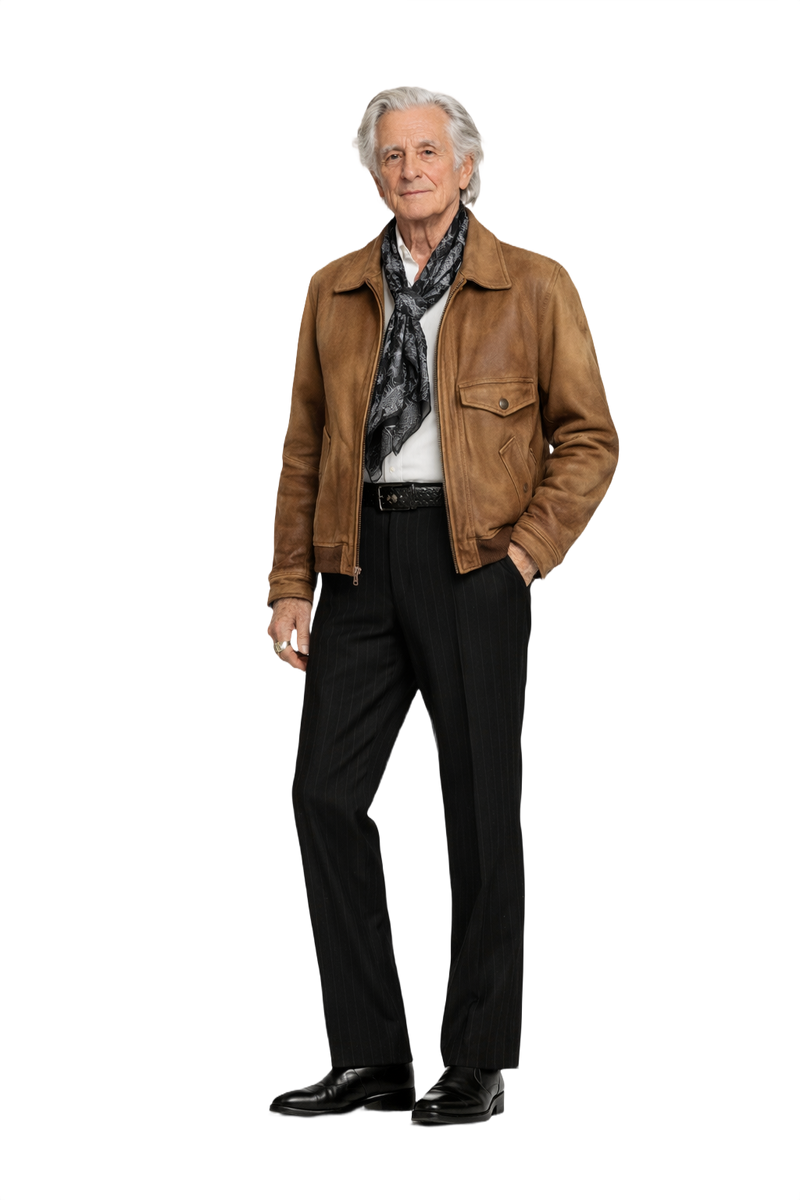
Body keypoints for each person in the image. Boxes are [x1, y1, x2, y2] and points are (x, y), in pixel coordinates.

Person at [264, 84, 622, 1129]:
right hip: (354, 558)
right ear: (372, 180)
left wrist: (525, 555)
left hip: (475, 559)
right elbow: (301, 447)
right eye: (392, 156)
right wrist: (289, 583)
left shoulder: (534, 282)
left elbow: (591, 438)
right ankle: (371, 1055)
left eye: (429, 151)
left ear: (467, 167)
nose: (411, 168)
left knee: (477, 807)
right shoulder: (331, 287)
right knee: (324, 797)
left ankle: (475, 1059)